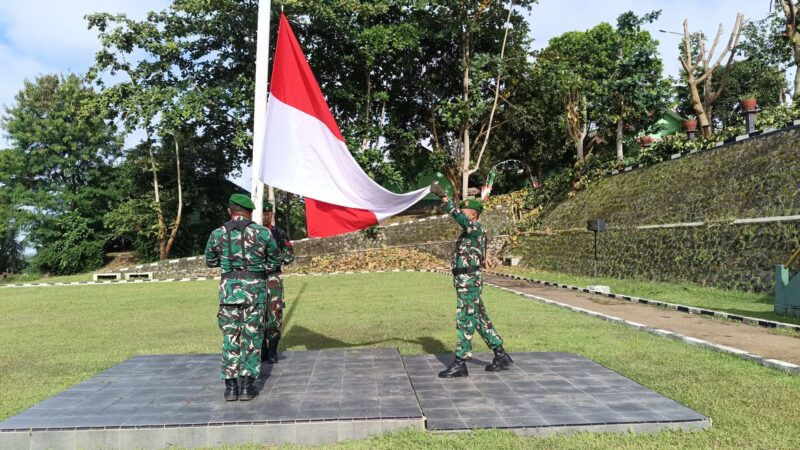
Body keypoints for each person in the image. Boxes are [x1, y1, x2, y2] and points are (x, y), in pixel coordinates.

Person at [429, 182, 513, 378]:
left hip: (469, 280)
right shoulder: (470, 232)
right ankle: (500, 355)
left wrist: (444, 199)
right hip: (466, 280)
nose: (461, 213)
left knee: (465, 319)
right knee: (479, 319)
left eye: (464, 211)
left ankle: (460, 362)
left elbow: (458, 217)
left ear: (473, 215)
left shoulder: (475, 228)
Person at [204, 193, 280, 401]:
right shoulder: (263, 233)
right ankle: (247, 386)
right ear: (251, 212)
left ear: (230, 211)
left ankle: (230, 387)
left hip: (228, 292)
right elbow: (275, 262)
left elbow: (210, 261)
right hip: (255, 291)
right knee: (252, 336)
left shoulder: (217, 234)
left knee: (230, 337)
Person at [260, 201, 294, 364]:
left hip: (273, 278)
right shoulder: (252, 233)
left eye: (267, 213)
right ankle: (262, 350)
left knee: (274, 316)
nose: (264, 216)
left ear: (272, 214)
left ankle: (273, 349)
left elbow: (289, 255)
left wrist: (276, 259)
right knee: (257, 316)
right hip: (256, 279)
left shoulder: (279, 234)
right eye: (262, 213)